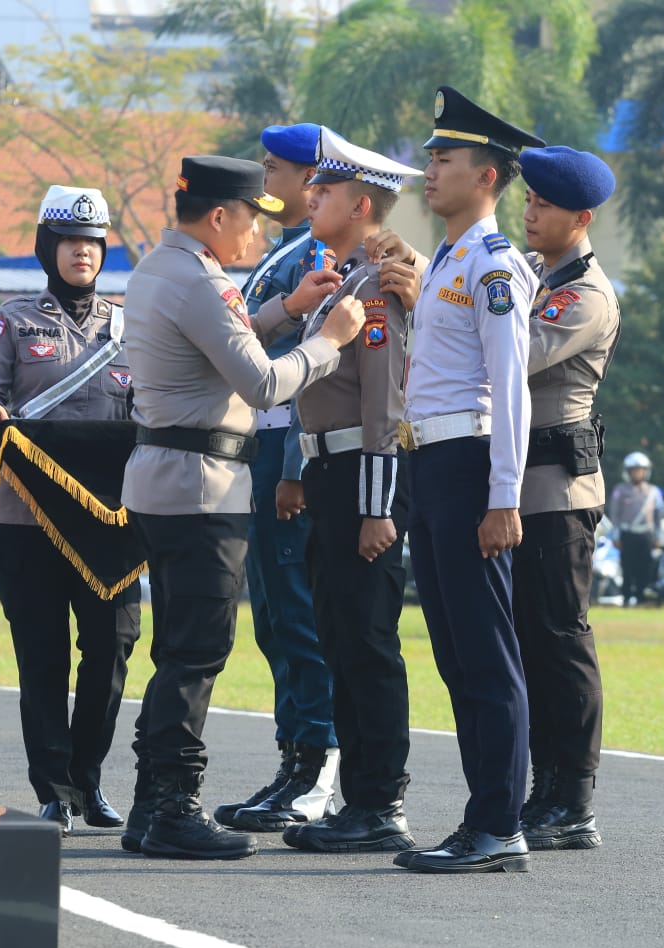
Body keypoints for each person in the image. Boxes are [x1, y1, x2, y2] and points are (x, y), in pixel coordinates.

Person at [119, 154, 364, 860]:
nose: (259, 233)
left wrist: (282, 310)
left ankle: (151, 803)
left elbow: (208, 348)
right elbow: (260, 385)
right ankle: (172, 805)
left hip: (165, 477)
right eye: (252, 218)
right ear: (221, 216)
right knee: (197, 653)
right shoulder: (203, 281)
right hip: (201, 484)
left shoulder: (161, 269)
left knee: (179, 651)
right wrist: (326, 340)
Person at [392, 86, 544, 875]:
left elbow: (509, 385)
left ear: (487, 176)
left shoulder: (492, 265)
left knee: (486, 653)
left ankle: (499, 824)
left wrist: (505, 496)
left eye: (445, 159)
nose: (430, 170)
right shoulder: (450, 256)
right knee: (454, 652)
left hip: (470, 464)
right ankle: (482, 816)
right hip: (433, 466)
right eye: (431, 158)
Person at [0, 183, 139, 837]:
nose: (82, 254)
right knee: (42, 657)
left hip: (106, 522)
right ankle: (56, 789)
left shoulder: (128, 327)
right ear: (49, 248)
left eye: (93, 243)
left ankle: (88, 776)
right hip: (24, 519)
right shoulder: (11, 322)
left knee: (114, 645)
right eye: (70, 242)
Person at [274, 127, 424, 854]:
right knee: (338, 636)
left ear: (361, 204)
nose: (310, 198)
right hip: (328, 475)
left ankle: (379, 801)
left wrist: (376, 508)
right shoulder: (343, 282)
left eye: (325, 191)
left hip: (361, 484)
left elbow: (383, 409)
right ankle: (359, 801)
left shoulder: (377, 289)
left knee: (366, 641)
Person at [214, 122, 340, 833]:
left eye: (276, 166)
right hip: (257, 449)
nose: (265, 175)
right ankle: (293, 760)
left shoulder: (314, 254)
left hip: (289, 452)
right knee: (271, 614)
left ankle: (318, 767)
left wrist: (294, 466)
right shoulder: (280, 252)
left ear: (309, 178)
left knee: (297, 611)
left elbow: (319, 368)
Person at [500, 145, 621, 854]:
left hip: (557, 493)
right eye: (529, 200)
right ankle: (545, 788)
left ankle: (572, 797)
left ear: (581, 216)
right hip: (524, 488)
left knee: (559, 641)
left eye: (544, 203)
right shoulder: (543, 278)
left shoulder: (585, 295)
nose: (530, 210)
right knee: (529, 645)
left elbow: (512, 352)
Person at [609, 451, 662, 607]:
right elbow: (615, 516)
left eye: (640, 470)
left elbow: (658, 517)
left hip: (646, 535)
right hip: (627, 534)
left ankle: (641, 597)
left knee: (645, 567)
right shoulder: (620, 490)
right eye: (634, 470)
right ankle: (626, 598)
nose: (637, 473)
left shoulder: (654, 491)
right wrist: (616, 536)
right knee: (627, 567)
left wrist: (657, 536)